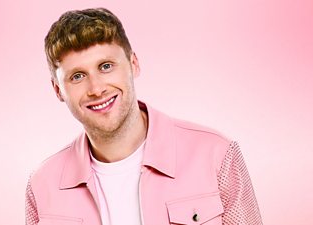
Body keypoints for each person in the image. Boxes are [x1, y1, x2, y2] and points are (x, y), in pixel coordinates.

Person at [25, 7, 262, 225]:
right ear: (58, 91)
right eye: (77, 76)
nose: (96, 88)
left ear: (133, 64)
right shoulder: (42, 184)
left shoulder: (216, 155)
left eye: (106, 66)